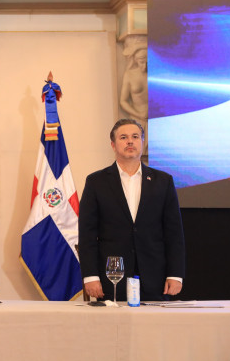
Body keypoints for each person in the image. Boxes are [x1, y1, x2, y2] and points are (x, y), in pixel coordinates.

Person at [78, 118, 185, 302]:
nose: (130, 141)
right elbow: (87, 234)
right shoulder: (96, 182)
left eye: (135, 137)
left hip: (155, 279)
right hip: (112, 278)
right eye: (123, 137)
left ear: (142, 142)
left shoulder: (163, 181)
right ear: (113, 145)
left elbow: (174, 233)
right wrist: (90, 276)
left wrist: (175, 274)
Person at [119, 35, 149, 155]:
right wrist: (139, 114)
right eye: (141, 61)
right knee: (137, 152)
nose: (144, 66)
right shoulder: (130, 74)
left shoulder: (158, 74)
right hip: (137, 119)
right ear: (135, 60)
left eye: (147, 61)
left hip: (156, 121)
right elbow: (123, 101)